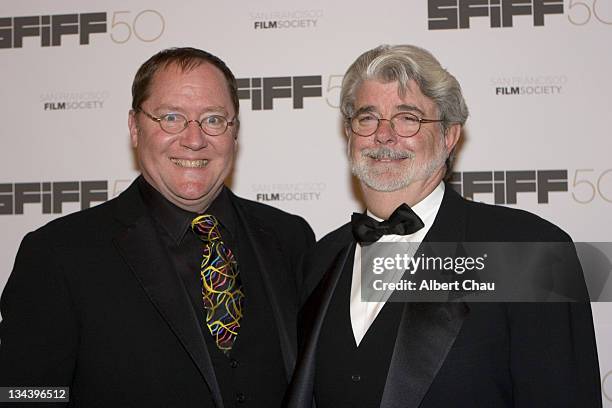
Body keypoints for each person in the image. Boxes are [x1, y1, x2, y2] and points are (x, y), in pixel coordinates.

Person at [284, 45, 601, 407]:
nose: (384, 135)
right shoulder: (322, 257)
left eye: (408, 118)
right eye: (368, 118)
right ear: (350, 133)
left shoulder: (529, 252)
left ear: (450, 136)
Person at [0, 47, 315, 407]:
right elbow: (24, 396)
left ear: (235, 132)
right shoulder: (59, 254)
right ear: (135, 128)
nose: (194, 140)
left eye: (213, 119)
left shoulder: (289, 238)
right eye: (171, 117)